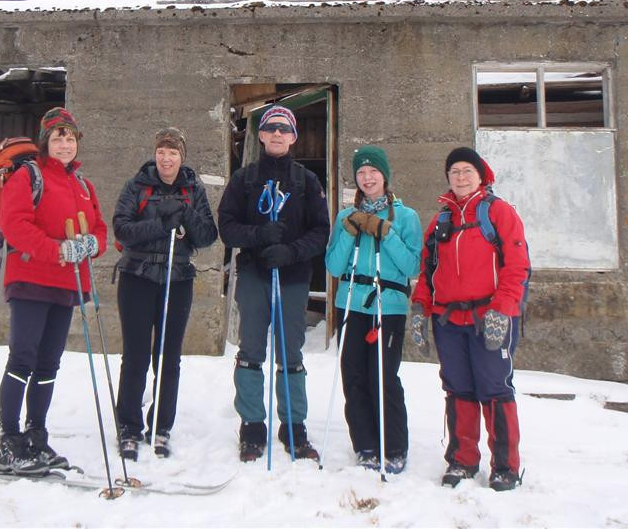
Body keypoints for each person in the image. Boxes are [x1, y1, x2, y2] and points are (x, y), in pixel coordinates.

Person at [0, 107, 108, 475]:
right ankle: (9, 442)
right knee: (23, 358)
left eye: (71, 137)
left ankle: (36, 436)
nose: (65, 143)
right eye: (58, 136)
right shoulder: (29, 176)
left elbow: (100, 228)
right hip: (31, 278)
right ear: (46, 142)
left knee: (48, 363)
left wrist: (91, 245)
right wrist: (58, 250)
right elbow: (15, 224)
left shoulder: (83, 185)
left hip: (66, 284)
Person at [411, 146, 530, 492]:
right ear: (448, 178)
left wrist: (504, 310)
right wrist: (421, 309)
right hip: (449, 321)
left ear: (481, 175)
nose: (461, 178)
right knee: (458, 388)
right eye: (454, 172)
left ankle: (505, 467)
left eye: (467, 171)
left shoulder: (499, 212)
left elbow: (518, 266)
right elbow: (427, 269)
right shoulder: (441, 220)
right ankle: (462, 460)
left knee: (495, 388)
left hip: (489, 317)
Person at [218, 105, 330, 462]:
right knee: (251, 350)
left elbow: (321, 231)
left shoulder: (306, 181)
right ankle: (252, 425)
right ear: (262, 135)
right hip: (254, 274)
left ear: (294, 137)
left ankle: (294, 425)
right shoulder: (244, 179)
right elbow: (227, 226)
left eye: (285, 129)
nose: (278, 135)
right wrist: (258, 236)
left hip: (292, 277)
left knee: (291, 353)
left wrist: (292, 251)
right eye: (271, 129)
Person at [112, 127, 218, 460]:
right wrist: (162, 225)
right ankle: (128, 427)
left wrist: (185, 214)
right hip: (138, 275)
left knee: (168, 358)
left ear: (181, 156)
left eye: (172, 152)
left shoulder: (193, 189)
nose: (166, 158)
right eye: (161, 151)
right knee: (136, 356)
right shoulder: (137, 186)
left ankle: (160, 425)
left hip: (178, 277)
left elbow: (207, 235)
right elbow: (122, 229)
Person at [325, 146, 422, 473]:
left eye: (373, 172)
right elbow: (334, 265)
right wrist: (350, 233)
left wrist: (387, 234)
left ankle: (394, 446)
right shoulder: (343, 217)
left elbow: (412, 265)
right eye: (361, 173)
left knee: (383, 376)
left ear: (385, 175)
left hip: (388, 305)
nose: (367, 178)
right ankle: (365, 444)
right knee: (353, 376)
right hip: (350, 302)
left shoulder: (405, 216)